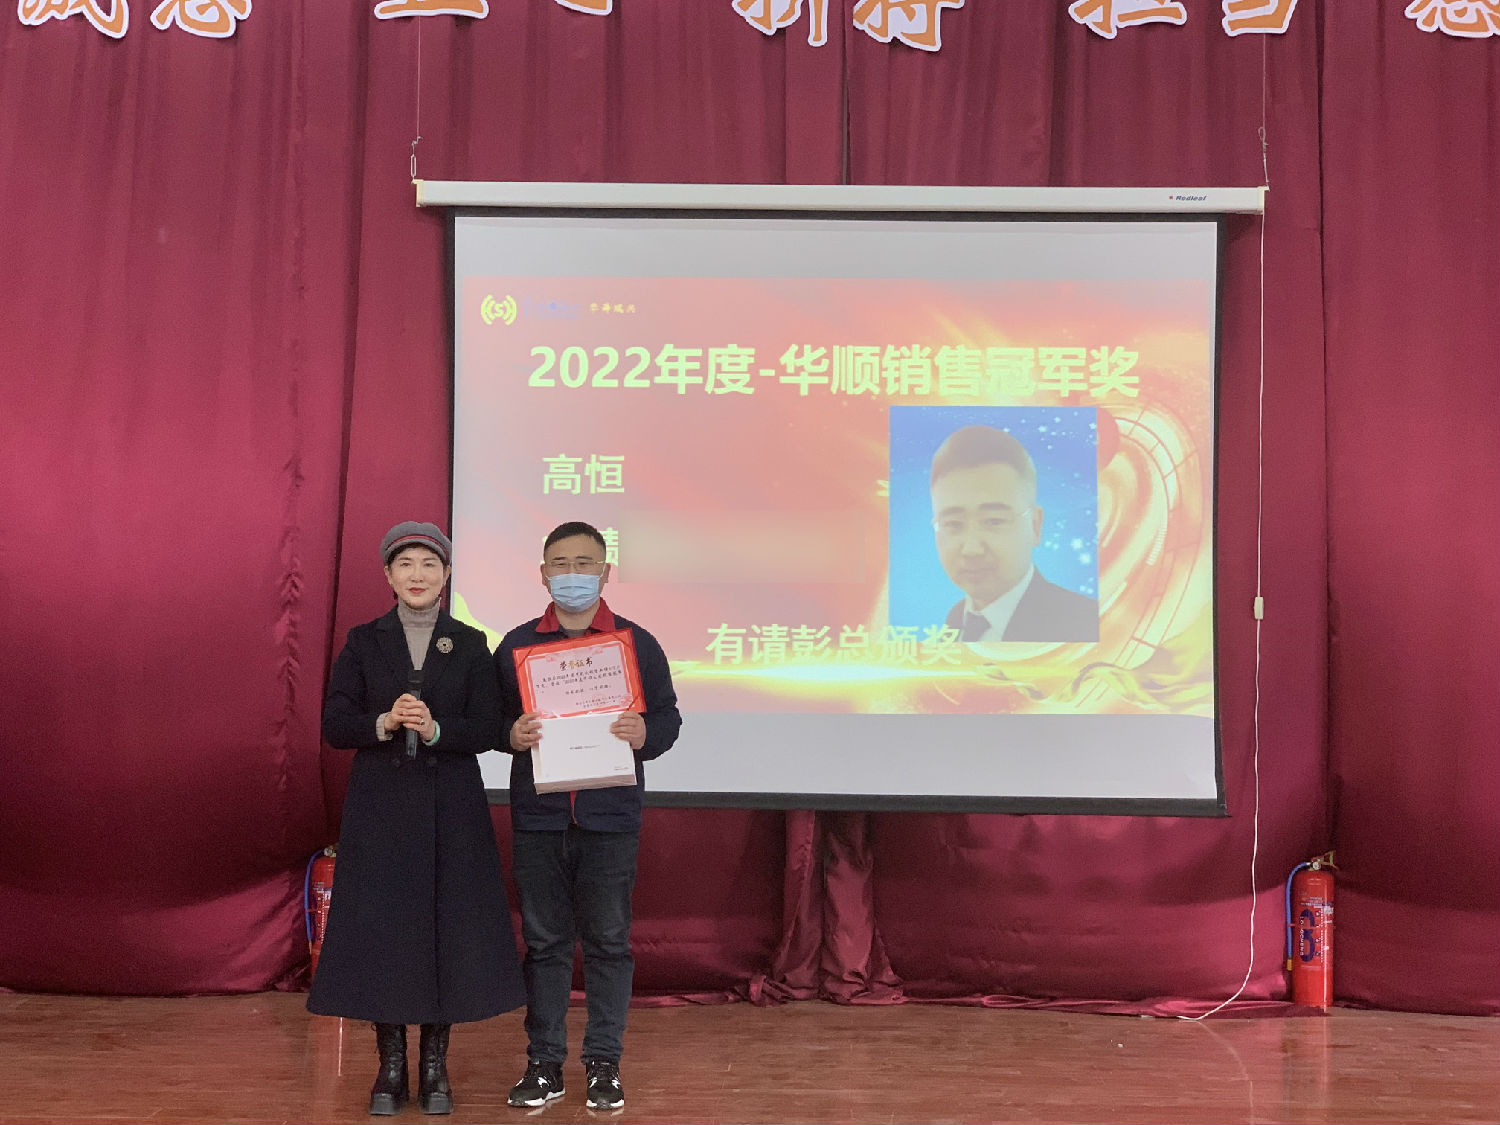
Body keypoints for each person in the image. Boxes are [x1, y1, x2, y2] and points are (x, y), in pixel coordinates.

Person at [308, 521, 525, 1116]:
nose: (418, 575)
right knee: (384, 931)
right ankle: (390, 1065)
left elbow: (489, 727)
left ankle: (434, 1066)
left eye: (430, 564)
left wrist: (436, 730)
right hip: (380, 808)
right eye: (405, 564)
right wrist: (383, 722)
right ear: (388, 575)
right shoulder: (363, 641)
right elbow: (334, 724)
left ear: (446, 574)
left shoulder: (471, 643)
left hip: (451, 807)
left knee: (444, 929)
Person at [494, 521, 681, 1111]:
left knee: (608, 943)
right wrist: (510, 734)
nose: (572, 574)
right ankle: (544, 1063)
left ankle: (604, 1063)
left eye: (584, 563)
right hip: (540, 818)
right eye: (560, 564)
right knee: (545, 944)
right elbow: (489, 720)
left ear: (604, 572)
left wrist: (646, 733)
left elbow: (668, 719)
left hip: (610, 818)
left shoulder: (636, 643)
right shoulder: (517, 645)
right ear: (542, 573)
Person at [930, 425, 1099, 643]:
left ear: (1035, 526)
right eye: (953, 524)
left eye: (994, 521)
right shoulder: (956, 619)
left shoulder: (1086, 623)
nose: (972, 549)